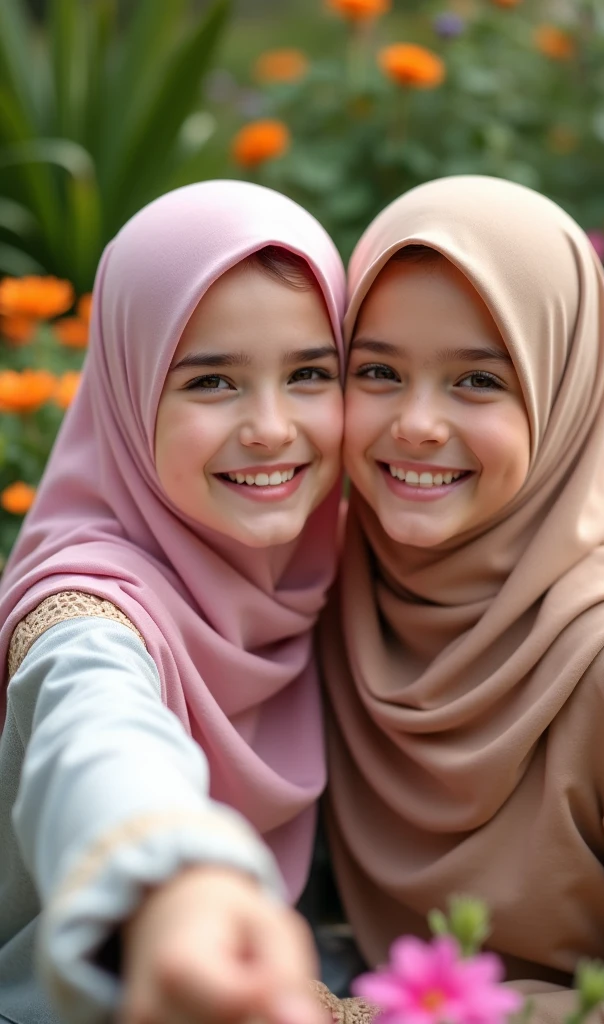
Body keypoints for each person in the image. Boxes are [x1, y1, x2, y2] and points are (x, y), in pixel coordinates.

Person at [319, 176, 604, 1022]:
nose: (416, 423)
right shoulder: (339, 589)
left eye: (478, 381)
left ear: (563, 396)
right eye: (377, 370)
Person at [0, 179, 346, 1024]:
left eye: (309, 373)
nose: (269, 426)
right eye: (213, 383)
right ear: (128, 390)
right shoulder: (86, 610)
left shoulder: (316, 574)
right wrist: (176, 882)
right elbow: (99, 733)